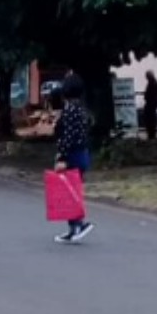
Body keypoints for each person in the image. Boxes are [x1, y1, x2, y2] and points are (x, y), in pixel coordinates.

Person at [53, 72, 94, 244]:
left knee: (69, 191)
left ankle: (78, 225)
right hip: (82, 153)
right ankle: (73, 228)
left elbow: (67, 136)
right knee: (72, 189)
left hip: (73, 154)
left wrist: (61, 156)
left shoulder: (70, 110)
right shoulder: (81, 110)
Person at [144, 70, 157, 140]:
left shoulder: (153, 83)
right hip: (151, 104)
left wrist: (155, 103)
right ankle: (151, 135)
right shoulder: (153, 82)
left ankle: (151, 135)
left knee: (150, 120)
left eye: (147, 76)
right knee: (150, 120)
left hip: (151, 104)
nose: (146, 78)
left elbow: (156, 94)